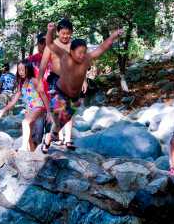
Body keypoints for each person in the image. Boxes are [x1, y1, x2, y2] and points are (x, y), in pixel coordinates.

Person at [40, 22, 122, 153]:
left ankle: (48, 140)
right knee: (56, 121)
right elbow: (50, 44)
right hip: (60, 92)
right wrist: (50, 30)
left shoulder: (87, 59)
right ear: (71, 52)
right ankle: (49, 138)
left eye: (84, 52)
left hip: (74, 97)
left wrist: (113, 36)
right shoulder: (64, 56)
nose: (82, 55)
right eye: (79, 53)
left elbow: (102, 48)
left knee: (59, 126)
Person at [37, 18, 87, 150]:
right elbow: (43, 64)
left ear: (71, 33)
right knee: (58, 110)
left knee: (69, 109)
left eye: (68, 33)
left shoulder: (74, 46)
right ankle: (53, 137)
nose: (66, 36)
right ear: (58, 32)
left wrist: (84, 80)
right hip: (55, 80)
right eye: (63, 33)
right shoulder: (52, 45)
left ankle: (68, 139)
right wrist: (40, 81)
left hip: (71, 80)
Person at [0, 61, 45, 151]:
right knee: (27, 132)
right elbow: (13, 101)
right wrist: (3, 111)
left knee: (25, 123)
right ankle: (31, 151)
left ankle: (23, 147)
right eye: (19, 70)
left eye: (23, 69)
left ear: (28, 69)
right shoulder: (21, 84)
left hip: (39, 107)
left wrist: (49, 112)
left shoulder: (34, 80)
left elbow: (43, 95)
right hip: (29, 109)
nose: (21, 72)